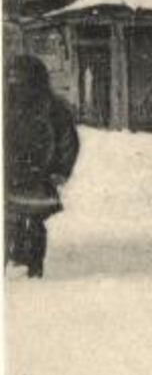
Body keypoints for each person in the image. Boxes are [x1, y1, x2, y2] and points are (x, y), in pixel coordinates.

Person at [4, 55, 80, 279]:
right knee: (9, 220)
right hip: (9, 174)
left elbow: (68, 141)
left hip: (40, 174)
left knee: (33, 221)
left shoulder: (53, 107)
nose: (13, 80)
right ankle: (12, 259)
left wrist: (61, 170)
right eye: (10, 75)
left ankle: (34, 265)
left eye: (19, 76)